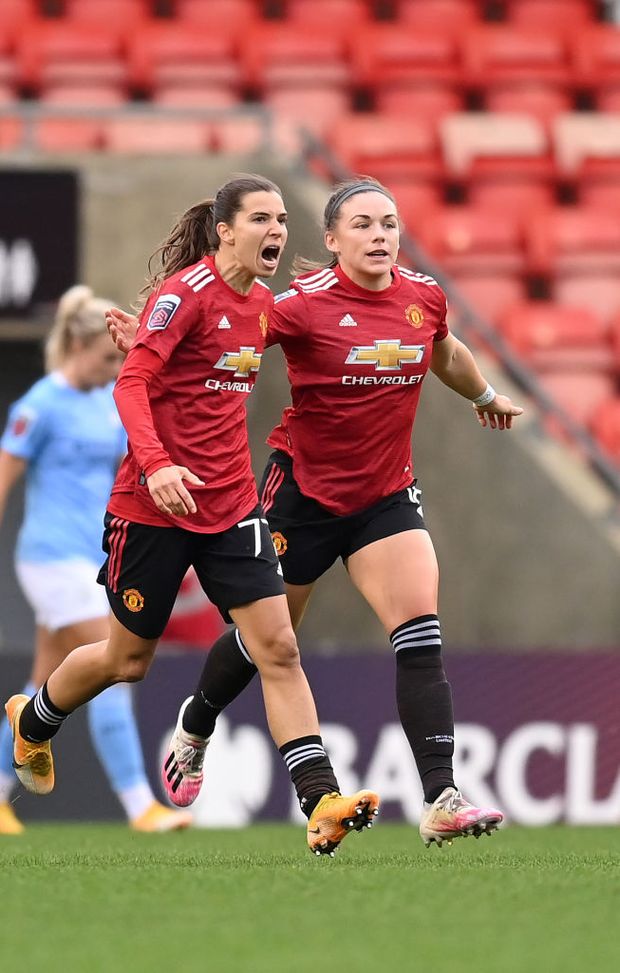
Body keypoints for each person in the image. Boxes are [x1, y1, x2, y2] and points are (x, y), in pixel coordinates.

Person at [109, 176, 523, 848]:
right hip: (300, 498)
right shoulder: (298, 306)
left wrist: (485, 393)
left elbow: (443, 349)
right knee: (268, 640)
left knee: (419, 634)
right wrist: (150, 350)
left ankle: (441, 796)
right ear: (330, 240)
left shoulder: (424, 297)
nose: (379, 235)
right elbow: (223, 335)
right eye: (361, 225)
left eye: (388, 223)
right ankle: (197, 722)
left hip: (385, 497)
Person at [4, 175, 380, 858]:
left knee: (279, 646)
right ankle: (33, 717)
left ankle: (321, 799)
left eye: (282, 219)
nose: (276, 230)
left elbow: (222, 351)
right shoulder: (185, 295)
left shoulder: (264, 305)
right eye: (261, 218)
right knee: (128, 659)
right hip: (152, 506)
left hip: (232, 503)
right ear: (225, 229)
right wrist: (157, 463)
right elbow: (134, 383)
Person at [0, 285, 191, 834]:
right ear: (79, 346)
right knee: (112, 661)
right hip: (48, 558)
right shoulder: (39, 405)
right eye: (109, 359)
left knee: (42, 685)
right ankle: (140, 806)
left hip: (95, 556)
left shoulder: (108, 406)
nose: (115, 370)